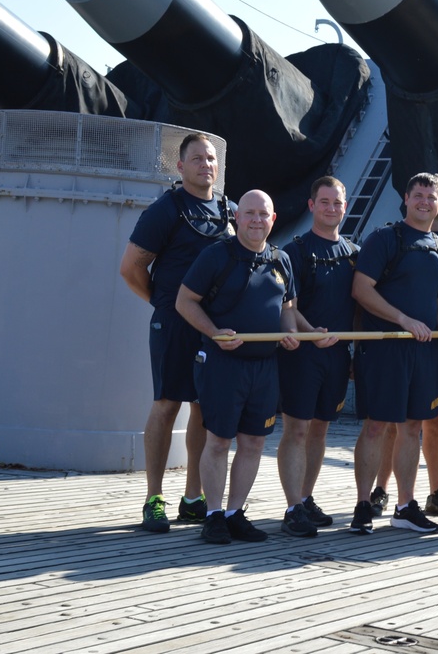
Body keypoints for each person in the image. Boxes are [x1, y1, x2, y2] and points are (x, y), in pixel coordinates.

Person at [175, 190, 326, 544]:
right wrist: (213, 333)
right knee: (218, 440)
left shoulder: (281, 260)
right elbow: (184, 301)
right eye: (250, 213)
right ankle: (213, 515)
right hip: (223, 365)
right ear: (237, 218)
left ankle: (234, 513)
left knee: (254, 443)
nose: (257, 220)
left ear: (273, 220)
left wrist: (291, 334)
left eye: (264, 214)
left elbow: (288, 307)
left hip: (264, 367)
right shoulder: (216, 256)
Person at [119, 133, 234, 533]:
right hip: (173, 323)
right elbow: (130, 268)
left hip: (214, 328)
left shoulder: (230, 212)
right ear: (180, 166)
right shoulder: (165, 210)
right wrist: (164, 305)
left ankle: (192, 498)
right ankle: (154, 498)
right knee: (167, 404)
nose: (206, 164)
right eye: (197, 158)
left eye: (211, 158)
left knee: (204, 406)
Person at [349, 172, 438, 534]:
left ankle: (404, 506)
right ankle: (363, 506)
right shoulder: (385, 238)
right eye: (419, 195)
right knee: (376, 426)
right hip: (385, 349)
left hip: (424, 351)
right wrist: (402, 320)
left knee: (413, 427)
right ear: (406, 198)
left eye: (433, 197)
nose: (425, 202)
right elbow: (361, 290)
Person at [277, 177, 358, 534]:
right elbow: (286, 305)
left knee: (320, 431)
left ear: (345, 206)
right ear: (312, 206)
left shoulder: (354, 254)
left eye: (337, 203)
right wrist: (311, 334)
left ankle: (306, 498)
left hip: (338, 356)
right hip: (302, 356)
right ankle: (293, 507)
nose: (331, 208)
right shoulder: (294, 251)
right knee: (296, 431)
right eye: (324, 202)